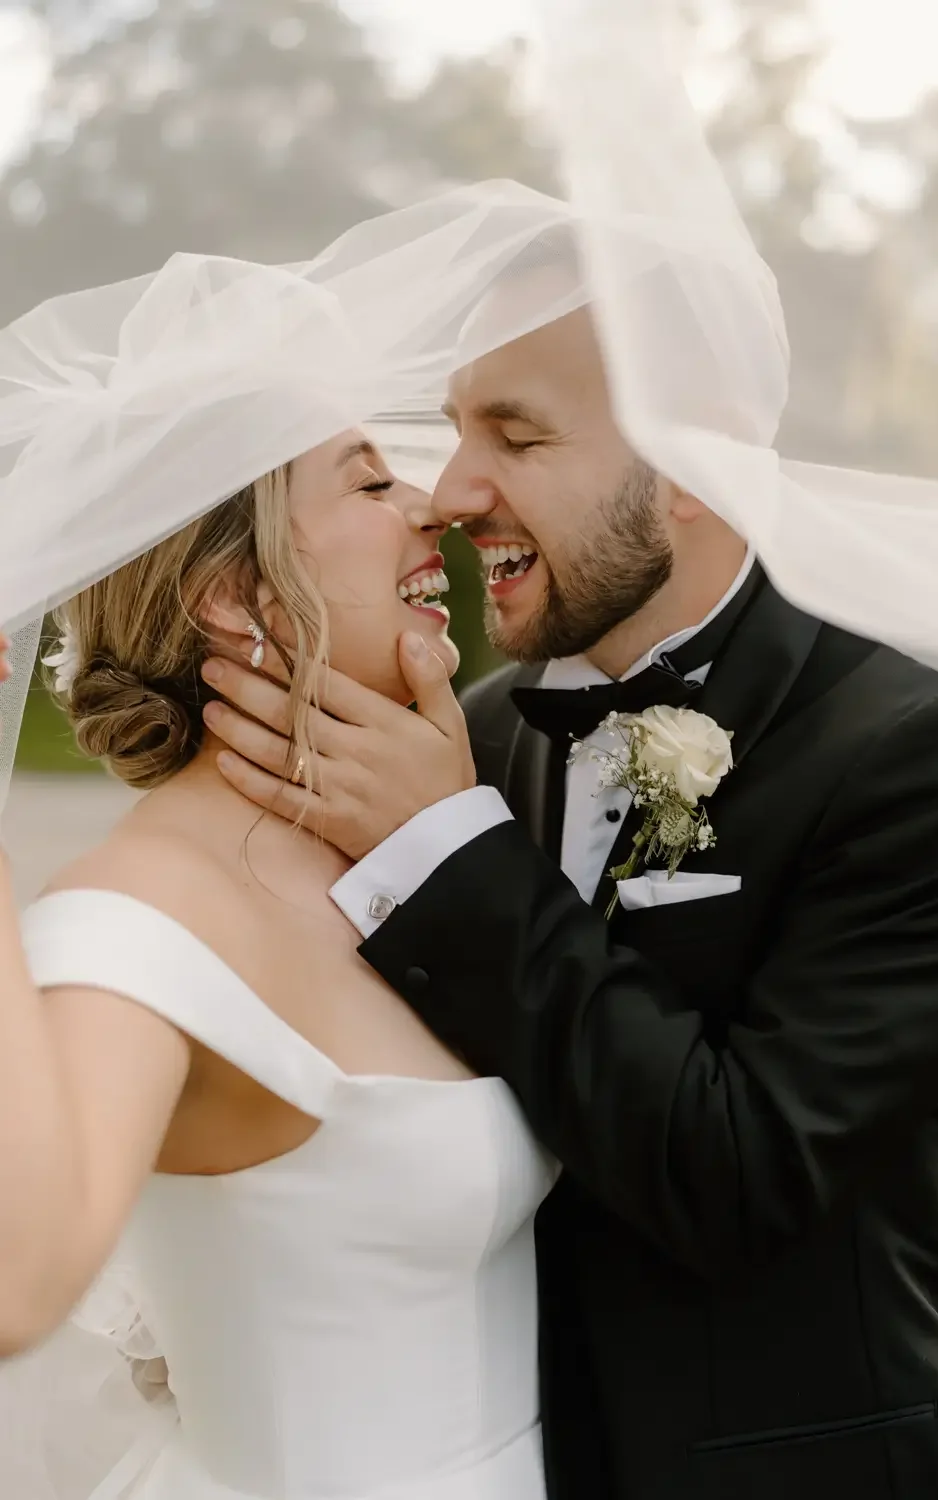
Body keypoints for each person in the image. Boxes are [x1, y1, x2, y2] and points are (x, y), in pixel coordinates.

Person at [207, 293, 938, 1500]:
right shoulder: (463, 737)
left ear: (693, 457)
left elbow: (746, 1173)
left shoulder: (932, 752)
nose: (454, 491)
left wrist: (448, 846)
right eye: (455, 430)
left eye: (517, 440)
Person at [0, 434, 554, 1500]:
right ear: (232, 596)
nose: (432, 503)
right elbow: (20, 1285)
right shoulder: (131, 922)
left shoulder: (423, 844)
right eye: (370, 480)